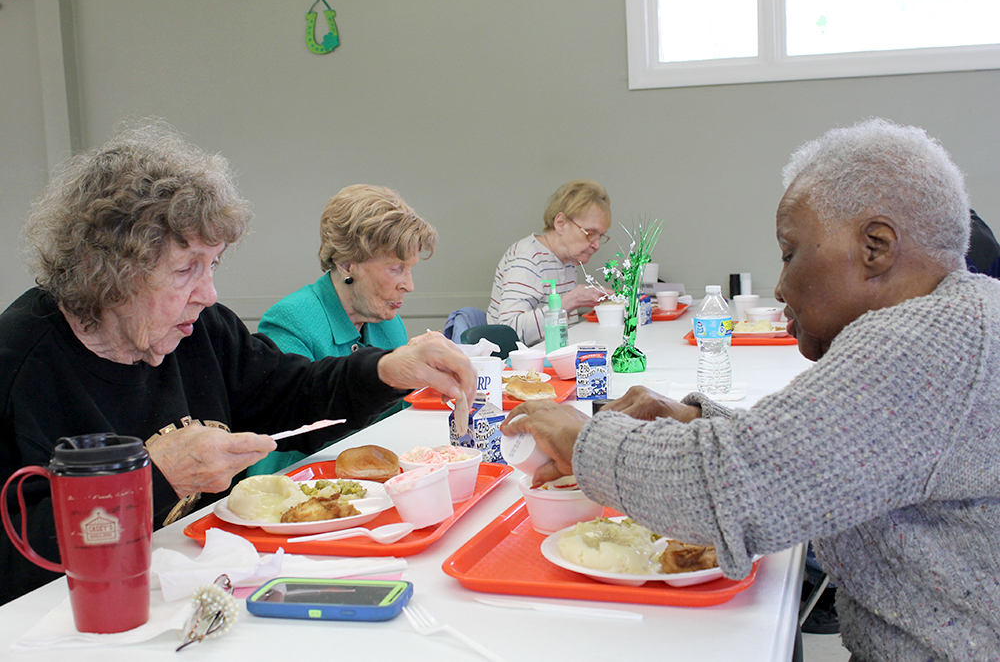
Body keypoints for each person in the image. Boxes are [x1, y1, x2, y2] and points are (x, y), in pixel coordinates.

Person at [503, 118, 1000, 660]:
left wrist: (582, 439)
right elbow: (813, 449)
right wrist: (693, 418)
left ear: (876, 247)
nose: (782, 285)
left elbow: (737, 488)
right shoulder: (961, 315)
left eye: (790, 254)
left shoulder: (924, 341)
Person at [0, 122, 475, 605]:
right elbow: (14, 559)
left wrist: (387, 369)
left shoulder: (202, 329)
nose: (209, 294)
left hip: (206, 596)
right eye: (186, 269)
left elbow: (293, 393)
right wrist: (148, 480)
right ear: (110, 274)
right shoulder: (19, 365)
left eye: (214, 266)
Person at [254, 184, 437, 474]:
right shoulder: (289, 321)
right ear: (347, 263)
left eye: (410, 269)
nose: (410, 285)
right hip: (297, 484)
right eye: (397, 268)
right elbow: (295, 435)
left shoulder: (390, 324)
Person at [486, 180, 612, 345]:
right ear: (560, 223)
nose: (596, 244)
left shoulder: (566, 259)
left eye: (600, 236)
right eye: (590, 233)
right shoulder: (527, 258)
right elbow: (508, 332)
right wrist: (570, 301)